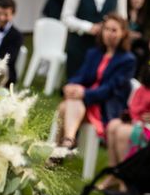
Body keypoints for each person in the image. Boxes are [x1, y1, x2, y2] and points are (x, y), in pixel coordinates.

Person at [56, 13, 136, 150]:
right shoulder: (94, 53)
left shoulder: (128, 60)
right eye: (106, 29)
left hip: (105, 104)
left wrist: (84, 93)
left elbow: (110, 89)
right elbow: (81, 75)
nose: (109, 33)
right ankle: (67, 142)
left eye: (114, 30)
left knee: (65, 107)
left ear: (123, 33)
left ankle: (59, 149)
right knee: (68, 104)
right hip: (85, 100)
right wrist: (71, 85)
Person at [61, 0, 127, 79]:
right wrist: (89, 27)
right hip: (79, 45)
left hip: (106, 48)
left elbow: (122, 20)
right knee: (75, 81)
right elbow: (65, 17)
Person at [102, 62, 150, 188]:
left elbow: (132, 104)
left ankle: (123, 178)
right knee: (112, 126)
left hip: (133, 121)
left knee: (118, 129)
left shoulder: (140, 90)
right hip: (143, 125)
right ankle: (115, 174)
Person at [127, 0, 150, 76]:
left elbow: (143, 34)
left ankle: (139, 75)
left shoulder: (143, 15)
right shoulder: (123, 11)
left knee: (145, 49)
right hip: (123, 42)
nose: (138, 0)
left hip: (135, 45)